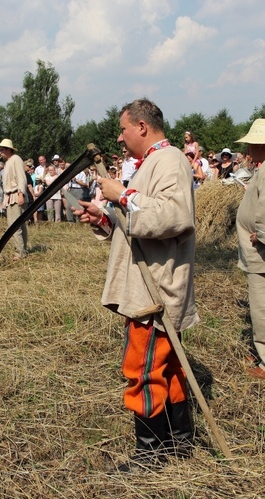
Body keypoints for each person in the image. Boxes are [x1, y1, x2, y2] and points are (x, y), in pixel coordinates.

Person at [74, 98, 198, 469]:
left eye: (123, 129)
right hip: (149, 284)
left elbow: (174, 216)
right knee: (167, 369)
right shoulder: (154, 163)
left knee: (142, 371)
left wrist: (122, 194)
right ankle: (178, 443)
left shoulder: (170, 160)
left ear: (142, 127)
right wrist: (105, 217)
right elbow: (140, 221)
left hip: (154, 290)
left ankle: (150, 454)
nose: (119, 137)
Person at [235, 119, 265, 380]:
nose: (248, 149)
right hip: (258, 252)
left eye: (251, 145)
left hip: (261, 255)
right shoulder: (262, 169)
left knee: (261, 307)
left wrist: (263, 235)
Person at [0, 138, 28, 260]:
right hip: (10, 196)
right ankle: (22, 250)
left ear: (9, 149)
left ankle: (19, 252)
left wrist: (21, 193)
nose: (0, 152)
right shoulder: (8, 162)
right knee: (18, 225)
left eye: (2, 149)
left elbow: (21, 177)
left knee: (14, 226)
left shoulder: (16, 159)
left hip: (15, 195)